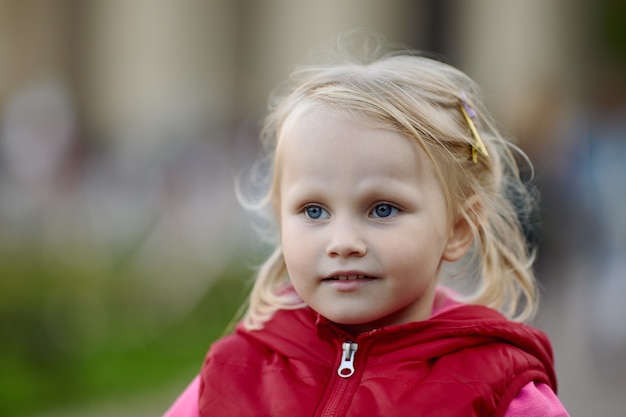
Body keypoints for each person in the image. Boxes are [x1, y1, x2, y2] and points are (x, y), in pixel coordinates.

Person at [164, 46, 569, 416]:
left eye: (382, 209)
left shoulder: (501, 388)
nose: (343, 243)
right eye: (314, 210)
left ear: (458, 228)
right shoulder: (236, 369)